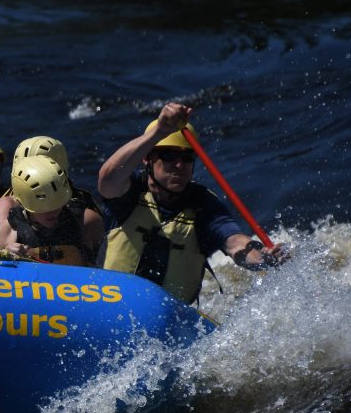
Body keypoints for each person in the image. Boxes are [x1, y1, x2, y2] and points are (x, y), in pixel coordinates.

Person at [97, 102, 287, 304]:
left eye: (187, 157)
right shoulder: (127, 192)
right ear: (147, 159)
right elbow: (107, 178)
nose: (179, 165)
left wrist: (262, 258)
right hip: (109, 305)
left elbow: (235, 242)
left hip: (169, 322)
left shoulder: (202, 204)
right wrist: (159, 132)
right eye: (169, 155)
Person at [0, 155, 103, 265]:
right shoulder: (5, 234)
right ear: (22, 203)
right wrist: (6, 261)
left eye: (57, 203)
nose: (52, 211)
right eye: (41, 206)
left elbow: (107, 268)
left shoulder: (87, 221)